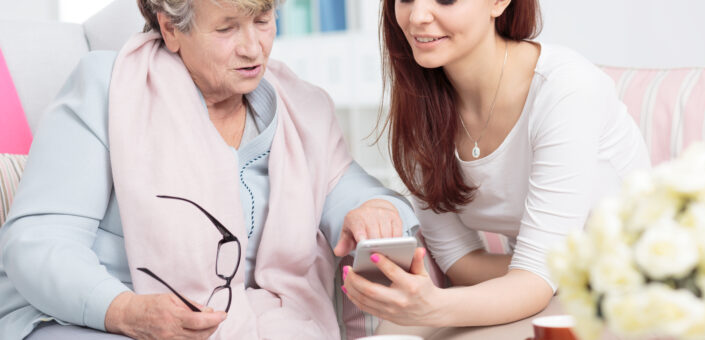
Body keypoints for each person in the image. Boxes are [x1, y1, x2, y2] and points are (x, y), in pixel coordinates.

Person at [0, 0, 419, 339]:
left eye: (262, 19)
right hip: (98, 318)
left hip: (252, 323)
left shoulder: (301, 108)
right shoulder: (108, 89)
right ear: (170, 29)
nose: (253, 48)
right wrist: (124, 311)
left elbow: (350, 189)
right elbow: (38, 241)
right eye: (227, 28)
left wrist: (373, 208)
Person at [342, 0, 651, 328]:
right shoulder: (423, 109)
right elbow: (459, 260)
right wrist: (534, 276)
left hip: (640, 296)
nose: (417, 16)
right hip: (550, 292)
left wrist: (436, 305)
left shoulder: (566, 89)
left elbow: (534, 278)